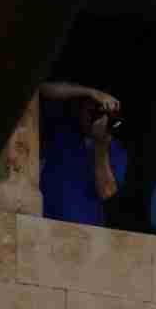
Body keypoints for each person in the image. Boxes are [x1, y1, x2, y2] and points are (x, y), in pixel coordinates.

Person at [39, 82, 124, 224]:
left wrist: (100, 145)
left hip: (85, 235)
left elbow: (106, 192)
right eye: (90, 109)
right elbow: (41, 89)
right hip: (46, 225)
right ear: (80, 107)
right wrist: (90, 92)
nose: (95, 115)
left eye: (100, 112)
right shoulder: (63, 130)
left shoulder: (115, 150)